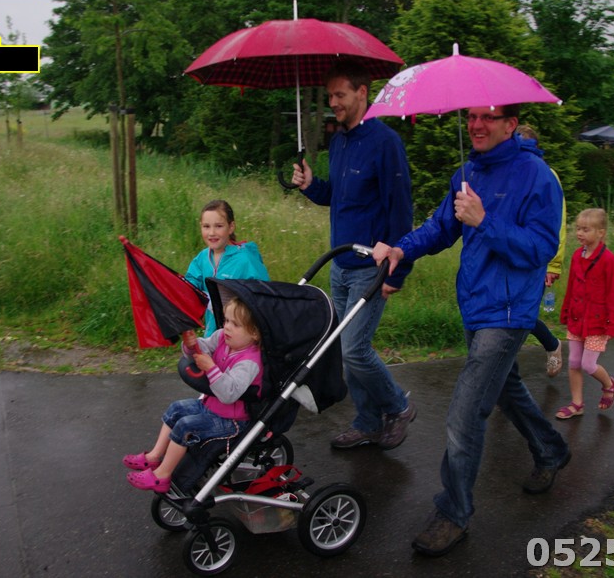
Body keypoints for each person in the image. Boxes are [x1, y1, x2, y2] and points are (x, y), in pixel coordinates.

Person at [372, 104, 571, 557]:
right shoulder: (468, 173)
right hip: (476, 304)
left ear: (511, 124)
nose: (476, 125)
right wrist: (402, 250)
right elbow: (441, 228)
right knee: (505, 390)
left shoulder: (537, 177)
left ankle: (454, 513)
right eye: (472, 117)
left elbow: (540, 248)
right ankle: (551, 450)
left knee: (465, 412)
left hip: (510, 311)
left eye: (488, 117)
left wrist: (486, 221)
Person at [290, 59, 416, 451]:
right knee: (346, 352)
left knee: (354, 349)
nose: (333, 103)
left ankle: (398, 407)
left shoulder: (386, 142)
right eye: (330, 96)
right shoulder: (339, 142)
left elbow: (401, 212)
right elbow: (338, 197)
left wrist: (397, 273)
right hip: (340, 263)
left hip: (372, 268)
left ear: (362, 92)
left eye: (340, 95)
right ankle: (367, 422)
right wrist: (310, 185)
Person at [124, 296, 263, 493]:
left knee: (186, 426)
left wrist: (211, 368)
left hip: (231, 421)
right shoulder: (222, 338)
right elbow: (202, 349)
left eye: (236, 324)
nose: (227, 327)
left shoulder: (249, 362)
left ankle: (162, 474)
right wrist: (192, 345)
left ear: (254, 333)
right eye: (226, 320)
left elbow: (229, 394)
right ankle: (154, 457)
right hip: (211, 406)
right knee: (177, 408)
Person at [555, 207, 614, 419]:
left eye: (585, 230)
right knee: (574, 362)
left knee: (587, 364)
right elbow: (571, 287)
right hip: (576, 318)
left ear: (600, 232)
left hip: (597, 323)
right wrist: (566, 311)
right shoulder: (577, 256)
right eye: (578, 229)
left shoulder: (608, 260)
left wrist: (612, 325)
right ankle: (577, 404)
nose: (579, 233)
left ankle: (609, 384)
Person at [516, 124, 566, 377]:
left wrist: (553, 264)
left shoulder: (548, 175)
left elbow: (558, 222)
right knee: (512, 312)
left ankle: (552, 345)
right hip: (514, 258)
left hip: (539, 260)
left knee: (521, 314)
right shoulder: (510, 172)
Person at [184, 199, 269, 336]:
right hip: (212, 336)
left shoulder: (246, 260)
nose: (212, 233)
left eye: (218, 226)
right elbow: (188, 288)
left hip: (242, 339)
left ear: (231, 227)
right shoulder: (202, 258)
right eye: (206, 226)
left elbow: (264, 298)